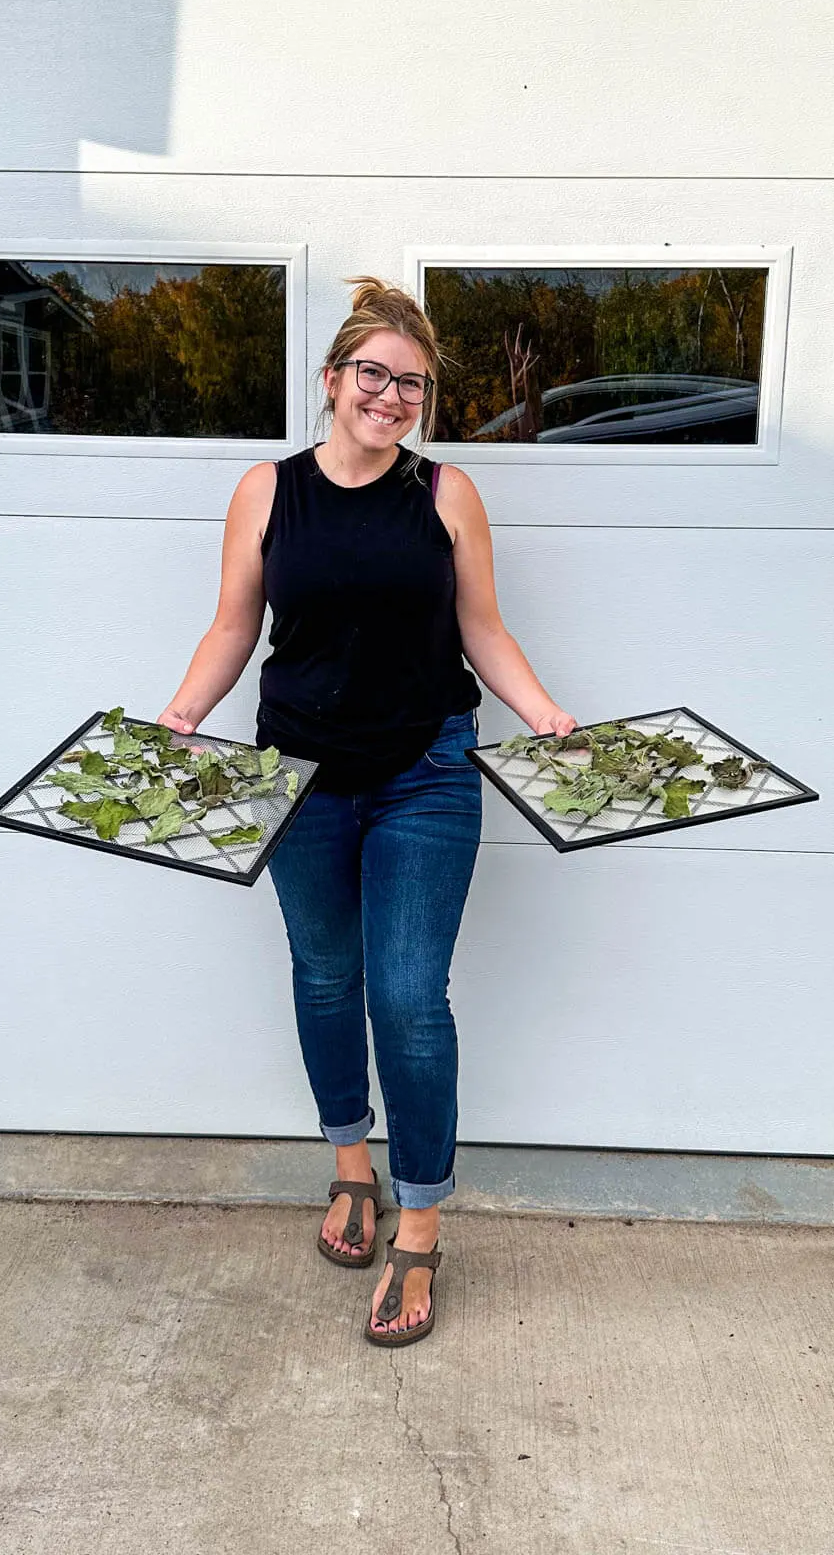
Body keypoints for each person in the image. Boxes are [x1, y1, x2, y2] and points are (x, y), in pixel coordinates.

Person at [158, 277, 575, 1346]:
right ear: (335, 379)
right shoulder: (267, 491)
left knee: (407, 994)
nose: (390, 398)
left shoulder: (444, 493)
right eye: (374, 376)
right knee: (326, 975)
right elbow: (229, 629)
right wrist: (178, 716)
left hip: (425, 770)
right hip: (296, 776)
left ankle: (422, 1224)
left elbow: (484, 629)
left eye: (413, 386)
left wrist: (545, 716)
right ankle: (353, 1167)